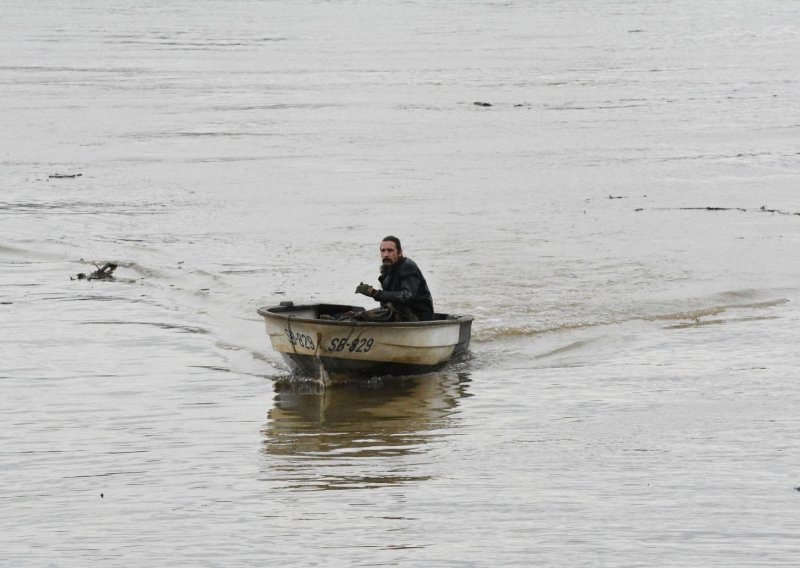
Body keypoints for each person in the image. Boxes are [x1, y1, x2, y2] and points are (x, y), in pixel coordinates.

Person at [355, 236, 434, 322]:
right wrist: (371, 292)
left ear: (399, 252)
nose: (385, 254)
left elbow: (406, 296)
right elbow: (388, 299)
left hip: (418, 318)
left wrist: (375, 293)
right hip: (400, 312)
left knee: (363, 316)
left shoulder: (408, 266)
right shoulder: (388, 268)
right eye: (383, 250)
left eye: (390, 250)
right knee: (358, 315)